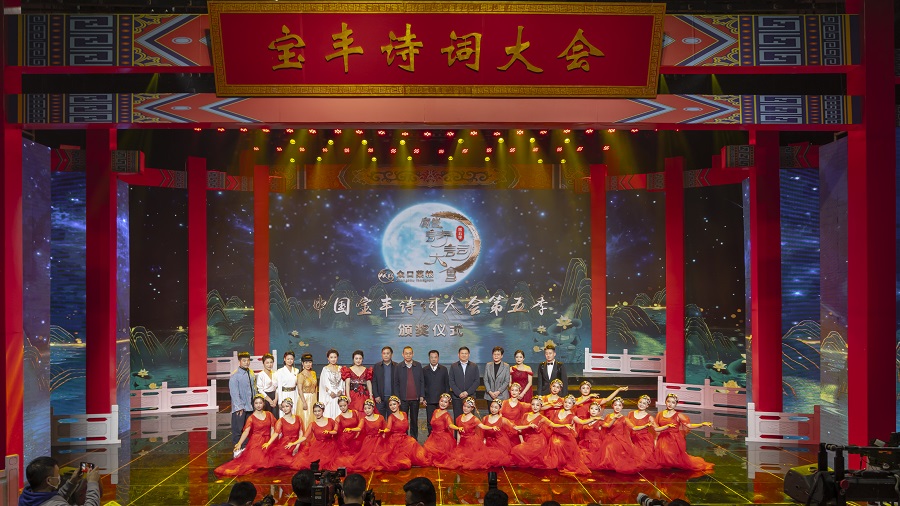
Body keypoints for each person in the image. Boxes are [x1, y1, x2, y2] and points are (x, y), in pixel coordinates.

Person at [216, 394, 276, 476]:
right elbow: (246, 431)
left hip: (268, 440)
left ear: (264, 404)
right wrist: (239, 443)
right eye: (256, 403)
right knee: (255, 462)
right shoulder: (251, 418)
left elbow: (272, 428)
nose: (258, 405)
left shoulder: (269, 414)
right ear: (253, 404)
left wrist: (271, 442)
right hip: (257, 442)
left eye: (260, 403)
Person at [654, 393, 714, 471]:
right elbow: (656, 428)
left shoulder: (678, 415)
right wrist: (655, 439)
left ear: (676, 404)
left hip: (673, 439)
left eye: (673, 402)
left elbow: (689, 425)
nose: (670, 404)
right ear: (665, 401)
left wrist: (702, 424)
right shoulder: (660, 414)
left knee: (671, 456)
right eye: (668, 401)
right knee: (661, 456)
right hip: (663, 437)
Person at [18, 456, 100, 506]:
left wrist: (73, 481)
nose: (59, 476)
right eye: (57, 474)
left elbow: (55, 499)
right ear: (49, 480)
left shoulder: (26, 497)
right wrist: (92, 483)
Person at [592, 397, 642, 474]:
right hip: (609, 437)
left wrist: (645, 426)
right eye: (615, 405)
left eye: (619, 405)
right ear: (612, 406)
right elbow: (606, 426)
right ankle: (608, 464)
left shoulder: (624, 418)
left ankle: (614, 464)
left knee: (611, 447)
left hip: (620, 439)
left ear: (622, 407)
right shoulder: (608, 416)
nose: (617, 407)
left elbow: (633, 427)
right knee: (607, 446)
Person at [377, 396, 428, 471]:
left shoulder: (404, 414)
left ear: (398, 404)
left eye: (394, 404)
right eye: (390, 405)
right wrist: (383, 431)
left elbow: (406, 426)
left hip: (404, 437)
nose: (392, 406)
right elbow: (388, 428)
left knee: (413, 444)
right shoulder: (391, 417)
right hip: (395, 439)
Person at [546, 395, 590, 474]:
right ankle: (556, 462)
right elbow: (551, 424)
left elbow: (582, 422)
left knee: (559, 443)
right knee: (556, 442)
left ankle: (562, 462)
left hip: (566, 437)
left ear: (573, 405)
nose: (567, 404)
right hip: (555, 435)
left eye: (569, 403)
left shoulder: (572, 416)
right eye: (566, 402)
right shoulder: (556, 411)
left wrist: (593, 419)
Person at [292, 402, 339, 470]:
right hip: (318, 447)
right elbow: (304, 437)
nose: (317, 413)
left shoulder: (330, 420)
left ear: (323, 410)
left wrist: (329, 432)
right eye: (315, 411)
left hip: (330, 446)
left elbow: (336, 431)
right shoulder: (312, 424)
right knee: (316, 464)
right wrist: (294, 443)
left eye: (319, 411)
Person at [508, 398, 553, 468]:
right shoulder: (525, 415)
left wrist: (564, 425)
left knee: (520, 452)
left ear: (541, 406)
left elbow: (553, 425)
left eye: (537, 405)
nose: (535, 407)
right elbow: (519, 429)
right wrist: (522, 441)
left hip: (538, 442)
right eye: (533, 404)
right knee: (515, 450)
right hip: (527, 440)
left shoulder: (542, 418)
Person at [344, 398, 386, 472]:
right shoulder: (363, 419)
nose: (367, 410)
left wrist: (383, 434)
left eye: (369, 408)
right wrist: (351, 429)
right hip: (369, 442)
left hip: (379, 441)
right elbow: (359, 428)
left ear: (373, 408)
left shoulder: (380, 417)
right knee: (366, 461)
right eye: (365, 409)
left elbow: (385, 428)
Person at [422, 393, 462, 468]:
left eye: (445, 402)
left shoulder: (446, 415)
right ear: (439, 401)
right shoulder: (435, 411)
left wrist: (458, 428)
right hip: (433, 437)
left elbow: (450, 425)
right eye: (442, 401)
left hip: (443, 439)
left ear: (448, 404)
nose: (443, 403)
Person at [263, 398, 304, 469]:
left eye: (287, 406)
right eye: (283, 407)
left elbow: (301, 432)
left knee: (301, 459)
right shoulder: (280, 421)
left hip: (297, 442)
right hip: (285, 443)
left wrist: (297, 446)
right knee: (284, 460)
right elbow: (276, 433)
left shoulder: (298, 418)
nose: (285, 409)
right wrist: (268, 443)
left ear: (291, 406)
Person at [229, 351, 257, 447]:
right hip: (240, 408)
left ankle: (247, 448)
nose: (246, 362)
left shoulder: (251, 373)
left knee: (248, 428)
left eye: (248, 360)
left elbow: (254, 389)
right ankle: (237, 449)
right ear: (239, 361)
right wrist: (239, 407)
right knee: (238, 429)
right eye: (244, 360)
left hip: (250, 406)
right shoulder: (235, 375)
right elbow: (234, 393)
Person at [397, 346, 425, 439]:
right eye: (406, 353)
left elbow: (422, 381)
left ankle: (414, 440)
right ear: (403, 354)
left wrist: (422, 395)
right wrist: (397, 398)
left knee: (414, 420)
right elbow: (396, 383)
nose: (408, 355)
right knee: (403, 421)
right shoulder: (399, 366)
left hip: (415, 399)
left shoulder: (418, 365)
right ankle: (404, 439)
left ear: (413, 354)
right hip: (403, 399)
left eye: (410, 353)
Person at [480, 398, 518, 468]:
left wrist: (527, 426)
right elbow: (482, 431)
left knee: (497, 458)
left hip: (500, 443)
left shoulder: (503, 420)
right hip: (488, 442)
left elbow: (514, 427)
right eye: (492, 407)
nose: (493, 409)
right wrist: (483, 440)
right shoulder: (485, 418)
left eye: (496, 407)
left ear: (499, 409)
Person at [626, 394, 660, 469]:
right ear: (637, 402)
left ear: (647, 406)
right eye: (640, 402)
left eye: (644, 403)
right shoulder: (630, 413)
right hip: (632, 439)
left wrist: (655, 440)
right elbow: (627, 427)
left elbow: (657, 430)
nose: (641, 404)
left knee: (640, 460)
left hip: (643, 441)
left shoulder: (649, 417)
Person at [422, 349, 450, 435]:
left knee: (441, 420)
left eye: (435, 357)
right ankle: (431, 437)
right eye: (432, 357)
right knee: (430, 420)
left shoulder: (443, 369)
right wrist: (423, 397)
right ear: (429, 358)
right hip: (429, 399)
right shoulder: (424, 370)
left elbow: (447, 384)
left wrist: (447, 398)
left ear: (438, 358)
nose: (433, 359)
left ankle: (441, 436)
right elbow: (422, 384)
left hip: (441, 400)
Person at [448, 346, 479, 419]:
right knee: (457, 418)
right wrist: (459, 393)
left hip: (470, 396)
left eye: (466, 353)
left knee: (469, 419)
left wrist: (467, 392)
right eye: (462, 353)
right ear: (458, 354)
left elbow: (477, 381)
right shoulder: (453, 366)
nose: (464, 355)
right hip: (457, 397)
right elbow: (451, 381)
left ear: (469, 355)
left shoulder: (474, 366)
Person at [333, 395, 362, 468]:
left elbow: (360, 425)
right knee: (348, 459)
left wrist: (357, 434)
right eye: (340, 406)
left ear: (348, 404)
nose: (343, 408)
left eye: (344, 405)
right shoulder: (338, 418)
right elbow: (335, 430)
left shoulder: (355, 412)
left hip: (357, 438)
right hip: (345, 441)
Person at [371, 346, 400, 416]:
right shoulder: (377, 366)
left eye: (388, 353)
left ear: (391, 355)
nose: (386, 355)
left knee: (392, 419)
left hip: (393, 398)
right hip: (380, 399)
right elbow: (374, 382)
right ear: (382, 355)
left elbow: (400, 383)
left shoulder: (397, 366)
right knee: (380, 419)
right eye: (384, 353)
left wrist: (397, 397)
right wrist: (376, 395)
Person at [319, 349, 343, 419]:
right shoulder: (325, 369)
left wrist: (341, 390)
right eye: (331, 357)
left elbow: (342, 382)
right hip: (329, 396)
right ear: (328, 358)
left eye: (335, 357)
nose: (333, 359)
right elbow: (323, 384)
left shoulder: (340, 368)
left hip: (338, 395)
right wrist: (330, 392)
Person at [296, 353, 318, 429]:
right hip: (304, 398)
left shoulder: (313, 373)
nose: (308, 364)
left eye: (310, 362)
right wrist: (304, 402)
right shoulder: (301, 375)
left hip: (313, 398)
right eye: (306, 362)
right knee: (305, 417)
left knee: (313, 416)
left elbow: (315, 387)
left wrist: (316, 399)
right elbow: (299, 390)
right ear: (302, 363)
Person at [275, 351, 300, 418]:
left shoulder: (296, 370)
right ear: (284, 359)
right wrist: (280, 402)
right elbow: (279, 387)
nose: (290, 361)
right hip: (284, 394)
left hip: (294, 394)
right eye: (288, 359)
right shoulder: (280, 371)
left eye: (291, 359)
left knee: (294, 412)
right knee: (284, 413)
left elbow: (297, 385)